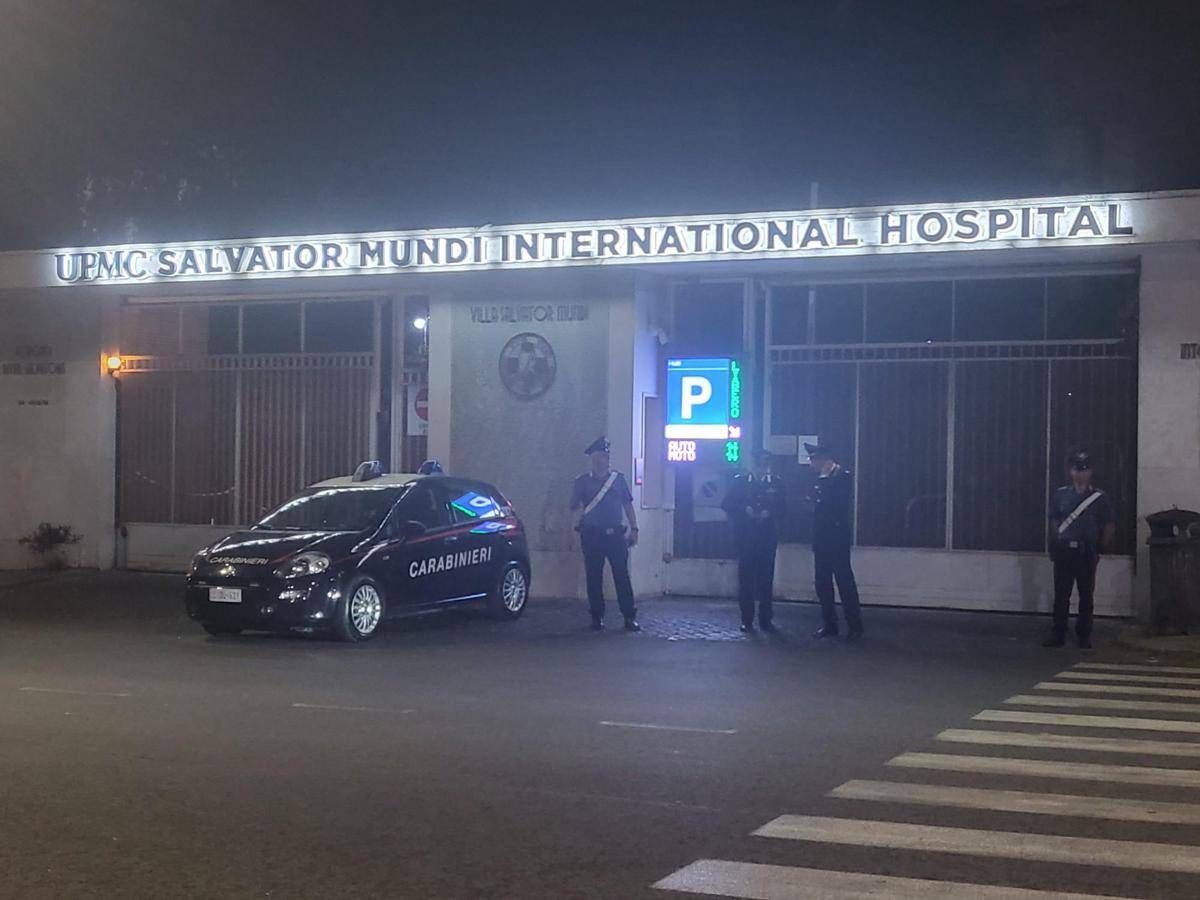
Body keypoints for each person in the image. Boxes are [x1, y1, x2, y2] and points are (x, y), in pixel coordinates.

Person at [1045, 450, 1114, 649]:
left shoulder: (1099, 498)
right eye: (1077, 469)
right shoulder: (1061, 495)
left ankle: (1084, 635)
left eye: (1084, 469)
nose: (1080, 473)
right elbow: (1053, 520)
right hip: (1064, 551)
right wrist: (1054, 543)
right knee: (1061, 595)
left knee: (1086, 595)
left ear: (1090, 472)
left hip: (1086, 551)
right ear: (1071, 471)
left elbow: (1109, 524)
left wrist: (1101, 547)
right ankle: (1058, 633)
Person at [570, 436, 640, 631]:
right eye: (599, 456)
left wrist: (634, 528)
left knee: (622, 576)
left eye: (605, 456)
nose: (603, 460)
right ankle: (597, 616)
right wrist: (574, 532)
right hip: (592, 535)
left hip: (615, 535)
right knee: (593, 577)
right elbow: (575, 508)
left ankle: (629, 616)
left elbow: (628, 505)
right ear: (592, 459)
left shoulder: (618, 480)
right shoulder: (582, 482)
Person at [722, 450, 786, 633]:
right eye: (758, 466)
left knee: (766, 580)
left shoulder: (777, 484)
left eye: (764, 466)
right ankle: (747, 619)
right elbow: (726, 504)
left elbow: (784, 509)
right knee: (746, 581)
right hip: (746, 538)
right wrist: (744, 509)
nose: (761, 469)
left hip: (767, 539)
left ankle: (766, 619)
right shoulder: (740, 483)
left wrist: (770, 513)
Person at [806, 442, 863, 639]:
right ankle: (829, 624)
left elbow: (835, 504)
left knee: (844, 582)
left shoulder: (842, 477)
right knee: (822, 583)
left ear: (822, 460)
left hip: (837, 538)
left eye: (813, 460)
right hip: (821, 537)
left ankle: (855, 625)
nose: (811, 465)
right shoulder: (819, 479)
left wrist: (823, 481)